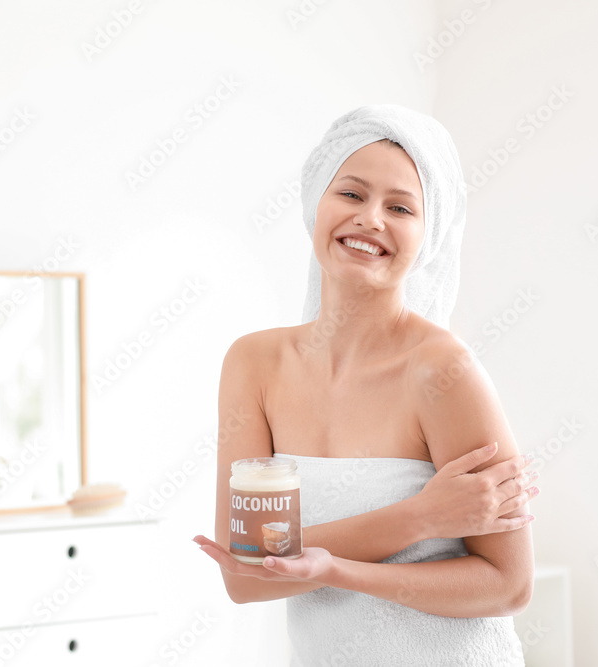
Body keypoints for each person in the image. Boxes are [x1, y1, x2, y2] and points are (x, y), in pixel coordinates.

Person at [193, 105, 537, 665]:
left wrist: (333, 568)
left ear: (427, 235)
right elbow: (247, 574)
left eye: (400, 207)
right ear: (315, 206)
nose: (371, 219)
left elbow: (509, 586)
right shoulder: (254, 364)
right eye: (351, 195)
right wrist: (420, 518)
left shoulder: (445, 372)